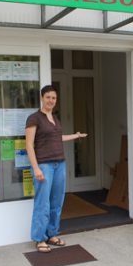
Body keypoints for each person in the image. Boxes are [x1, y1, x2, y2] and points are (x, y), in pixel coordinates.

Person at [25, 85, 87, 253]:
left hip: (59, 164)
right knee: (42, 203)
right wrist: (36, 168)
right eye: (48, 97)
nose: (51, 100)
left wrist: (75, 135)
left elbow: (56, 138)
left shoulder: (55, 118)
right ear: (42, 98)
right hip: (44, 165)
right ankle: (39, 239)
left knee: (56, 202)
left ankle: (52, 234)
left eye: (54, 98)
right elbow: (29, 145)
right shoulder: (34, 118)